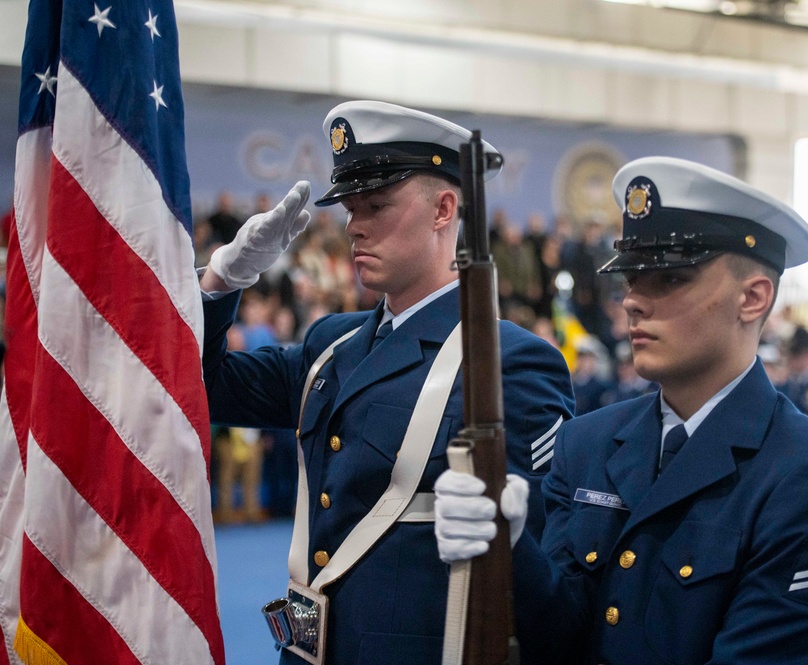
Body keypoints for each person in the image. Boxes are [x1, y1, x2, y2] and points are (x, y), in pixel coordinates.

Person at [435, 157, 808, 664]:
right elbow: (557, 637)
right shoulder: (587, 442)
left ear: (752, 298)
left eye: (668, 280)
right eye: (632, 279)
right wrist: (510, 552)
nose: (633, 302)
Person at [199, 100, 575, 665]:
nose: (354, 225)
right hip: (304, 645)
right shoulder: (333, 344)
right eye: (350, 207)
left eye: (376, 204)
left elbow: (538, 579)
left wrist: (510, 539)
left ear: (444, 208)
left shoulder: (508, 362)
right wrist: (221, 282)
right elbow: (203, 384)